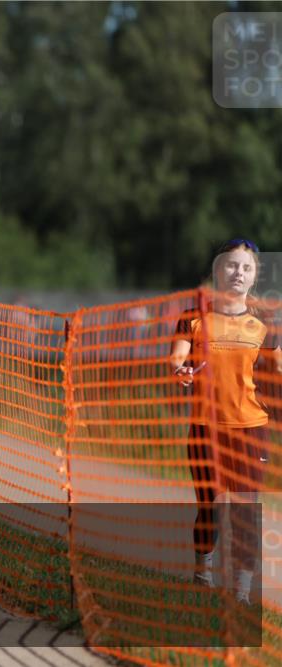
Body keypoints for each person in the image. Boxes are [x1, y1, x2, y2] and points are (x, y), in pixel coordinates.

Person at [170, 238, 281, 604]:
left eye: (247, 268)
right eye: (232, 265)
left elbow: (279, 366)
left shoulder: (264, 320)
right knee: (210, 506)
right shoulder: (193, 316)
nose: (239, 272)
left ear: (254, 277)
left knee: (247, 509)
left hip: (251, 428)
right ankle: (202, 575)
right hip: (206, 429)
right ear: (217, 271)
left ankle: (242, 593)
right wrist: (182, 370)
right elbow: (177, 359)